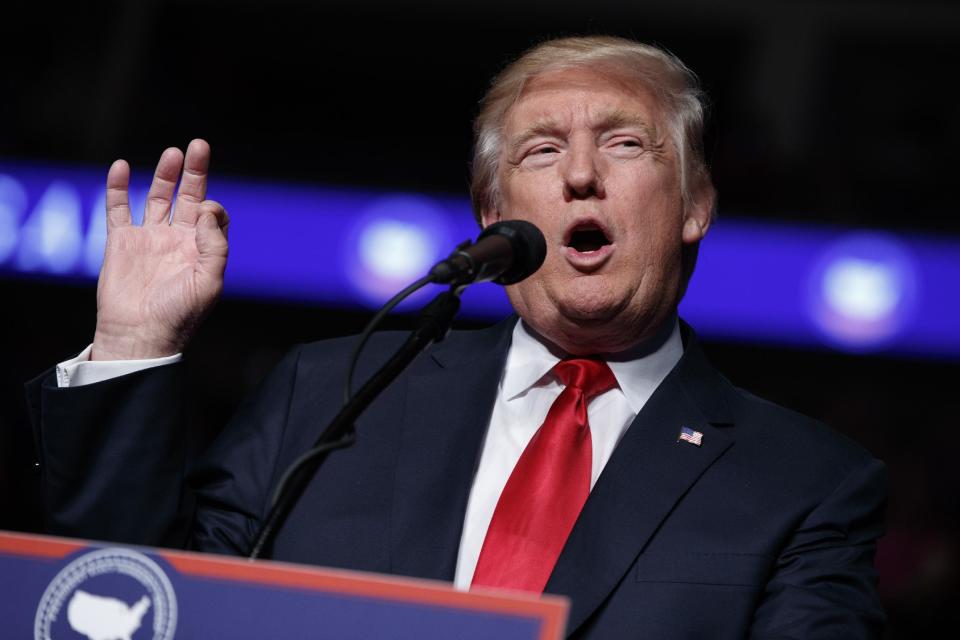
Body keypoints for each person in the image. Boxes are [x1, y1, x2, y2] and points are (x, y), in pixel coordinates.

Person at [27, 36, 886, 638]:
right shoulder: (330, 394)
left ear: (697, 204)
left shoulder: (806, 484)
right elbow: (126, 607)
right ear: (493, 214)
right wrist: (133, 340)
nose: (581, 175)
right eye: (542, 152)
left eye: (625, 143)